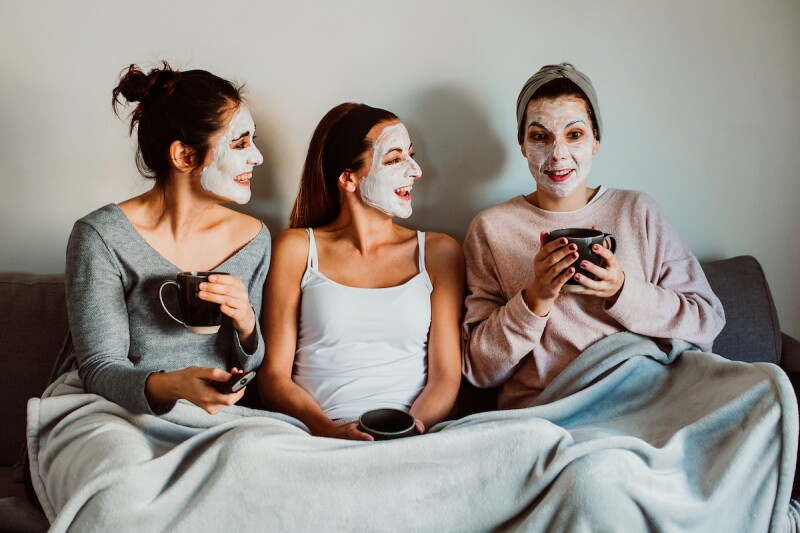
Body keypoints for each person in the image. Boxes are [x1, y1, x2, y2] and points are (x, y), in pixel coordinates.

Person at [462, 63, 726, 408]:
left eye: (574, 135)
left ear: (596, 140)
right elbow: (478, 369)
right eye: (541, 136)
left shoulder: (638, 211)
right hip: (550, 408)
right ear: (523, 145)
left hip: (643, 393)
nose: (558, 154)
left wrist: (622, 290)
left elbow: (706, 320)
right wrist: (535, 297)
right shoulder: (491, 229)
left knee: (767, 389)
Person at [65, 62, 270, 415]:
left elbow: (249, 367)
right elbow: (100, 369)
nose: (258, 157)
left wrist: (247, 324)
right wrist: (175, 386)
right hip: (118, 412)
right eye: (240, 144)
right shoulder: (100, 237)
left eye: (254, 140)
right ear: (184, 156)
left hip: (218, 416)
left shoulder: (253, 239)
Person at [259, 103, 463, 440]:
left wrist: (406, 433)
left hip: (413, 434)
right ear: (348, 179)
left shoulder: (440, 253)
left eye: (410, 156)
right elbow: (273, 377)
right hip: (321, 434)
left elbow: (445, 377)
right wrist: (329, 430)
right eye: (394, 159)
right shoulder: (296, 249)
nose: (415, 171)